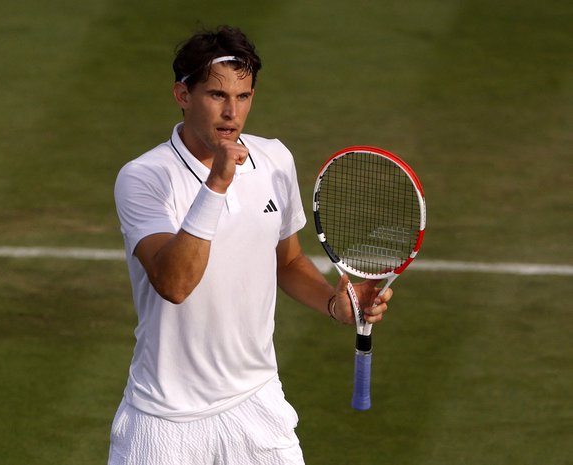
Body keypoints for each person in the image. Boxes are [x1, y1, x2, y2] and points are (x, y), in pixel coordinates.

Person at [109, 25, 392, 465]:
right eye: (217, 96)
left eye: (243, 97)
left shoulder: (275, 159)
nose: (232, 113)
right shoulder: (145, 177)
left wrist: (336, 305)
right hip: (165, 420)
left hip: (257, 406)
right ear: (183, 95)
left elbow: (288, 260)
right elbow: (175, 283)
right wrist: (217, 181)